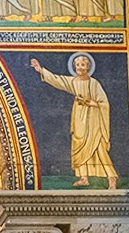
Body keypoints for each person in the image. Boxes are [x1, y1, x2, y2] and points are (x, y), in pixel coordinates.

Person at [31, 54, 119, 188]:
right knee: (78, 146)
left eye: (82, 65)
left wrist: (91, 103)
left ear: (88, 67)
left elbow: (104, 103)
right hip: (78, 118)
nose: (79, 68)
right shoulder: (74, 82)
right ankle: (84, 178)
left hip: (93, 120)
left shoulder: (94, 83)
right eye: (77, 65)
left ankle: (112, 178)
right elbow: (58, 80)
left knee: (98, 147)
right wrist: (41, 70)